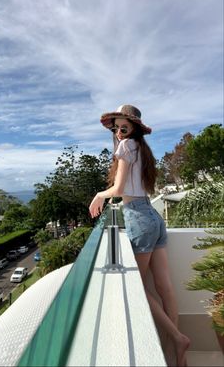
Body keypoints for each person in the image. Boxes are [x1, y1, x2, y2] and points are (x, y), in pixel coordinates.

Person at [89, 104, 190, 367]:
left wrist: (100, 195)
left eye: (125, 128)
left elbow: (120, 188)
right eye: (117, 128)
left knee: (139, 286)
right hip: (154, 218)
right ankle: (175, 356)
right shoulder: (143, 151)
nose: (120, 132)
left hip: (138, 217)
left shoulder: (125, 147)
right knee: (164, 286)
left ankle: (178, 339)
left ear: (134, 130)